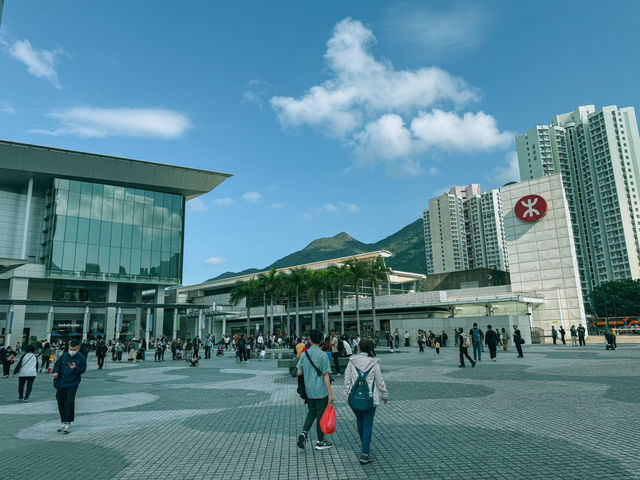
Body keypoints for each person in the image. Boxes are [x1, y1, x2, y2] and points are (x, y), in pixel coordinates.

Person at [343, 338, 388, 465]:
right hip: (370, 399)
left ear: (359, 348)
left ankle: (365, 448)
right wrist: (385, 395)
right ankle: (365, 453)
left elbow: (347, 380)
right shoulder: (374, 363)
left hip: (355, 399)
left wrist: (346, 396)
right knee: (368, 425)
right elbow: (380, 382)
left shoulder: (352, 361)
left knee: (360, 422)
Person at [296, 329, 335, 451]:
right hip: (321, 391)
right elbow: (325, 375)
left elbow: (299, 372)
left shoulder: (304, 354)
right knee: (321, 415)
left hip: (309, 390)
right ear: (321, 341)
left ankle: (304, 432)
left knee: (312, 412)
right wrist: (330, 394)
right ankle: (320, 441)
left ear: (310, 340)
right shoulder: (323, 355)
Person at [52, 339, 87, 434]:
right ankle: (63, 420)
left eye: (74, 349)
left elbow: (83, 370)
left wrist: (76, 368)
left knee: (69, 401)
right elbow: (57, 365)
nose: (72, 351)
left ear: (78, 348)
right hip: (61, 382)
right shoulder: (64, 355)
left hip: (73, 383)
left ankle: (68, 422)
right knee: (60, 400)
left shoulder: (81, 358)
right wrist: (55, 372)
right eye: (70, 348)